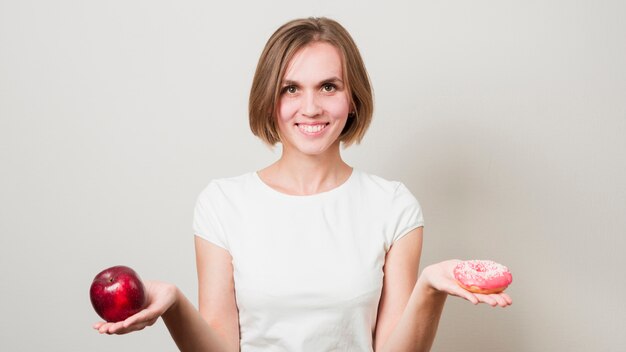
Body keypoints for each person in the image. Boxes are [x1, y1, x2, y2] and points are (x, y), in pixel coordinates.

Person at [93, 17, 512, 351]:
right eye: (290, 89)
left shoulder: (393, 206)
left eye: (328, 86)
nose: (310, 108)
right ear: (269, 99)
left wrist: (429, 289)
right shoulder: (222, 203)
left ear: (352, 100)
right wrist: (174, 306)